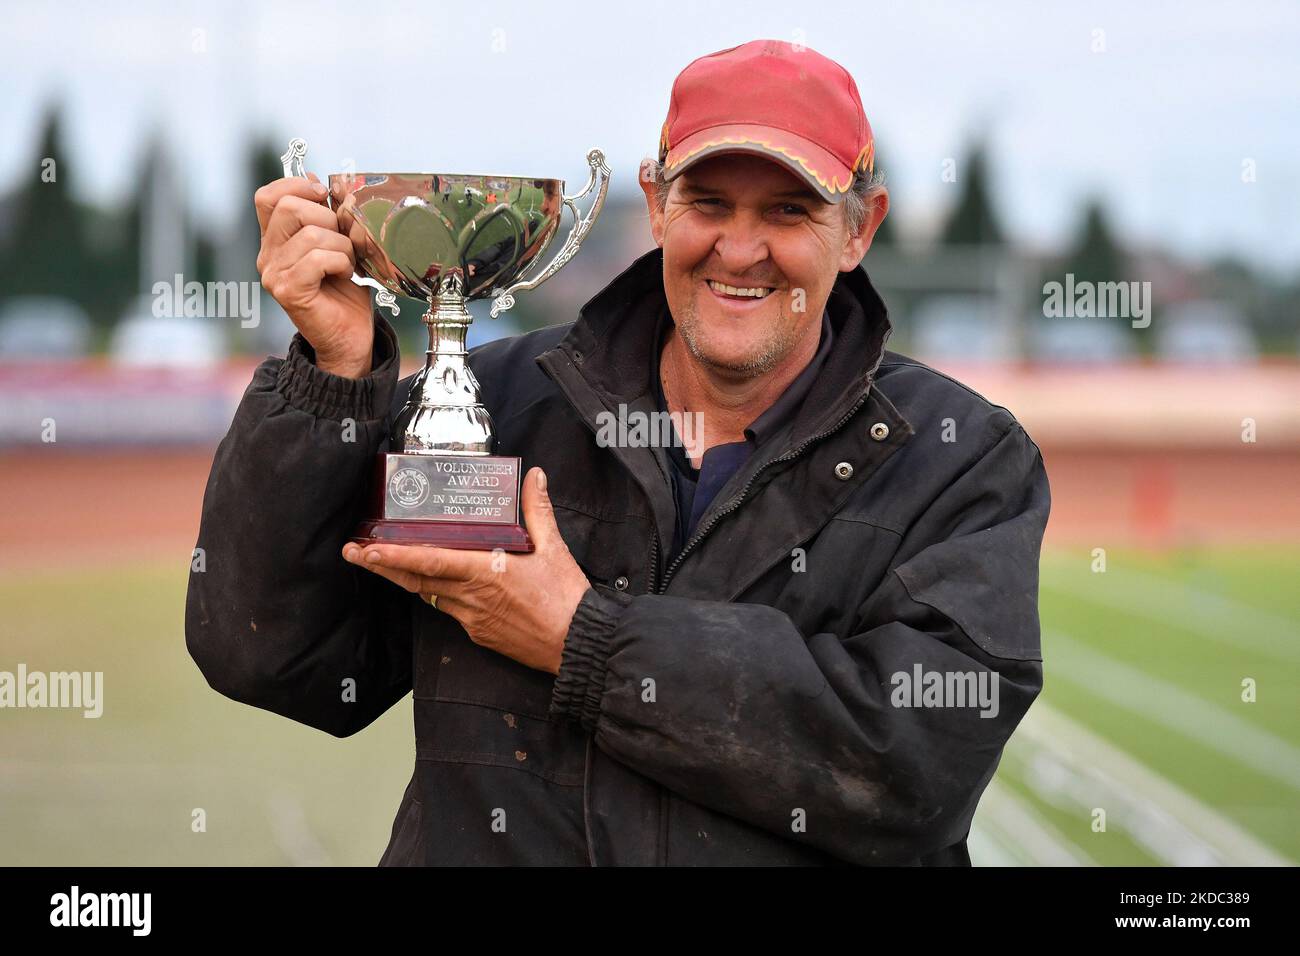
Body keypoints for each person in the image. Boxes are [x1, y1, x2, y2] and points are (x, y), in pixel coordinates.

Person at [186, 38, 1051, 866]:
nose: (740, 250)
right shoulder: (495, 405)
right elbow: (274, 658)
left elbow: (912, 766)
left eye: (790, 211)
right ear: (657, 202)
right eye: (709, 203)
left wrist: (583, 641)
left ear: (861, 229)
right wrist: (333, 377)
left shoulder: (960, 459)